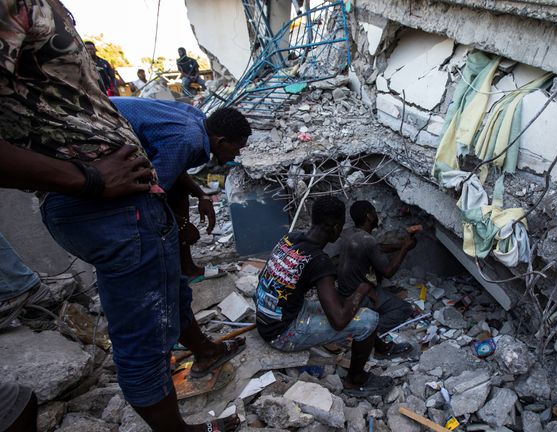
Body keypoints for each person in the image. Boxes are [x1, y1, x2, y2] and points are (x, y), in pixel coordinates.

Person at [0, 2, 238, 431]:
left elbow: (169, 172)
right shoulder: (189, 135)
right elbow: (162, 182)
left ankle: (203, 350)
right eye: (233, 150)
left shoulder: (190, 122)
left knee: (171, 294)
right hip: (109, 208)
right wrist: (89, 179)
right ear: (221, 139)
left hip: (122, 208)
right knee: (145, 337)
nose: (232, 158)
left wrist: (195, 196)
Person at [254, 197, 394, 396]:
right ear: (336, 227)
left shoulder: (291, 238)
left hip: (265, 319)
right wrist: (362, 289)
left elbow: (262, 277)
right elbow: (338, 321)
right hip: (281, 334)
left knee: (344, 304)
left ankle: (378, 346)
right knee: (368, 319)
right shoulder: (319, 261)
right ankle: (356, 380)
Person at [111, 97, 251, 280]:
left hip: (114, 119)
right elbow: (151, 193)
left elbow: (173, 168)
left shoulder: (199, 121)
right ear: (220, 141)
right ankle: (160, 275)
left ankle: (187, 268)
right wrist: (182, 225)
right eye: (237, 148)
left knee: (178, 193)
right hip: (99, 129)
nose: (237, 154)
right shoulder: (188, 140)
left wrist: (202, 196)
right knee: (152, 218)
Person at [337, 200, 417, 358]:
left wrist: (400, 245)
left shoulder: (350, 233)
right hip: (359, 296)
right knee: (404, 309)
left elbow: (378, 248)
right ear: (368, 216)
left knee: (384, 293)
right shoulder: (368, 241)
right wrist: (405, 249)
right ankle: (364, 329)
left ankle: (361, 324)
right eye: (374, 212)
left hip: (344, 292)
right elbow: (388, 271)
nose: (377, 215)